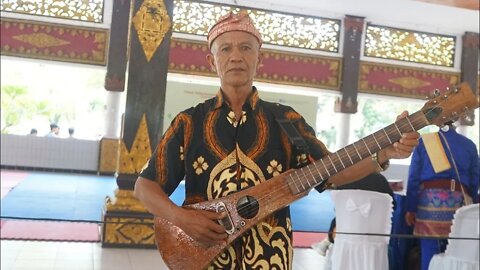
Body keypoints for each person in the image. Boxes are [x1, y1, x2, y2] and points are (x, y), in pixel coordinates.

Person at [134, 12, 420, 269]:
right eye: (226, 49)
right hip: (206, 256)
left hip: (270, 257)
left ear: (260, 58)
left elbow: (331, 172)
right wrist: (182, 218)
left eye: (246, 47)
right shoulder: (189, 122)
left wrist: (383, 154)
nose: (236, 56)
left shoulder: (287, 120)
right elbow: (145, 186)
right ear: (212, 61)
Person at [404, 121, 479, 270]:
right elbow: (475, 178)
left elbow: (413, 178)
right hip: (460, 205)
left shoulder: (423, 142)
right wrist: (472, 205)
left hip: (430, 204)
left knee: (430, 251)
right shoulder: (469, 144)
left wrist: (410, 208)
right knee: (458, 253)